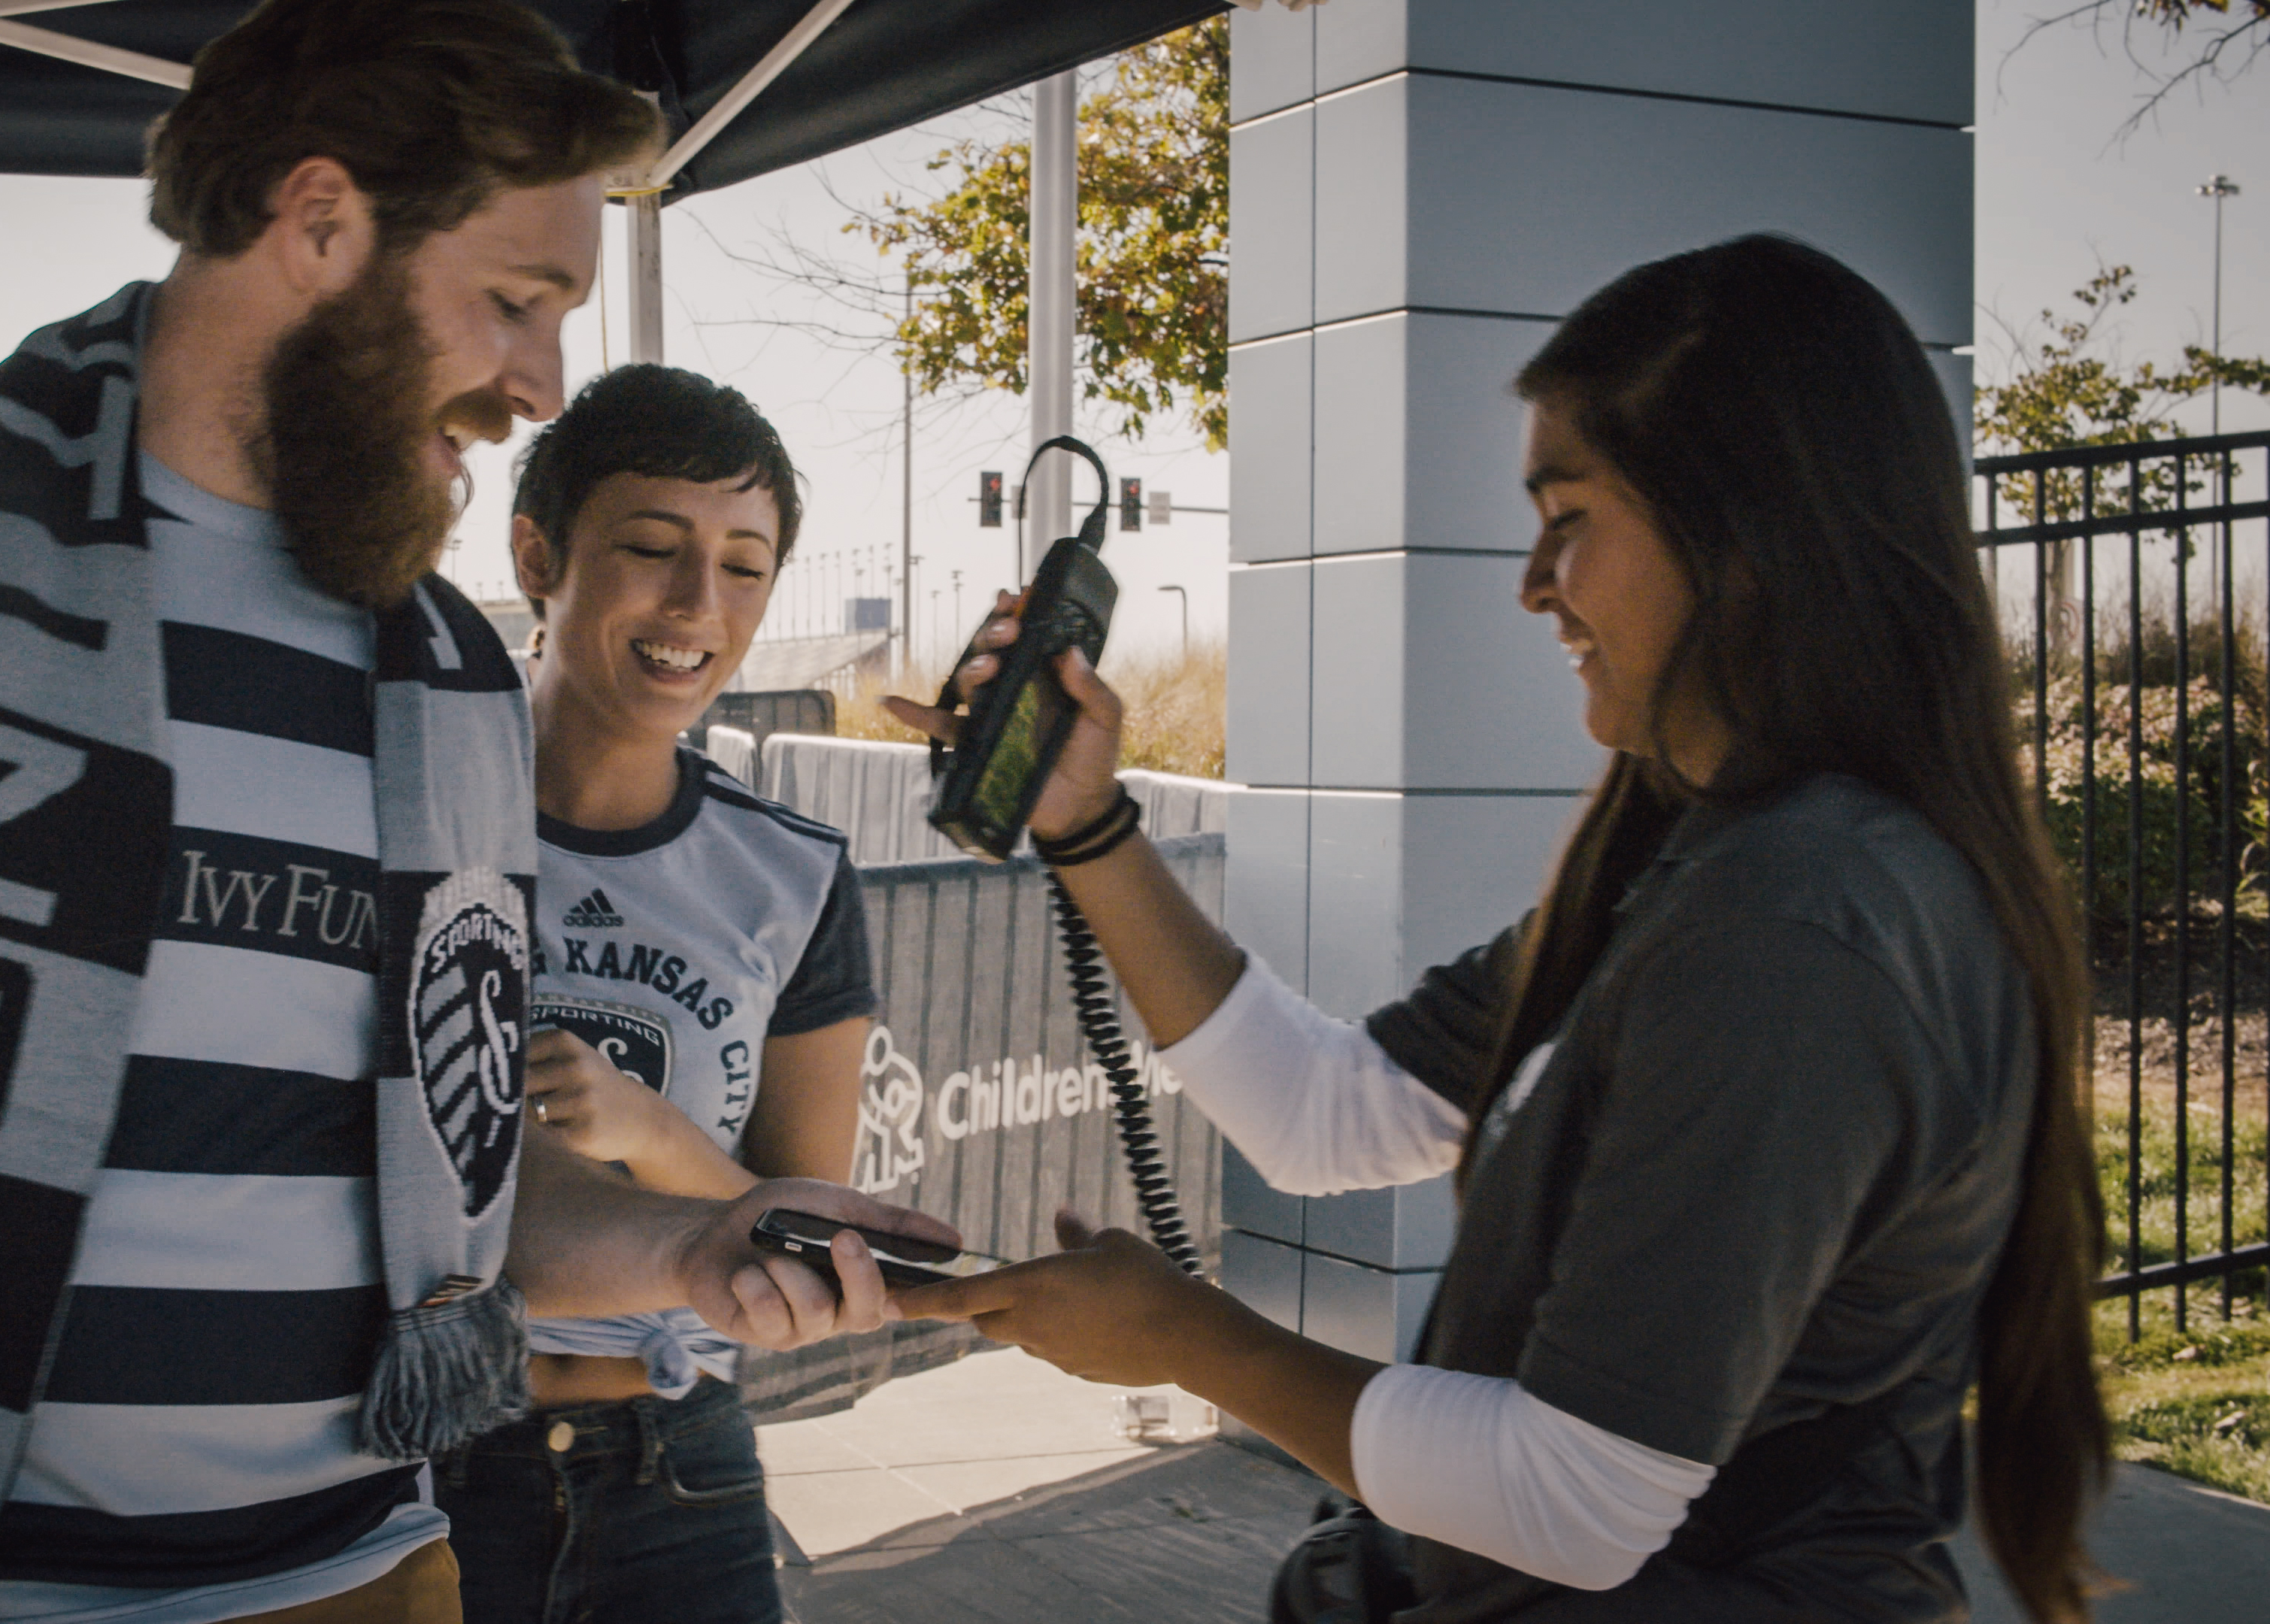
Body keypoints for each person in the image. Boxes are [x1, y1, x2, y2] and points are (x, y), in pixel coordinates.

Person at [0, 5, 948, 1622]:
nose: (546, 385)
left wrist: (689, 1256)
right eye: (515, 301)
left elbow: (457, 1172)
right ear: (319, 222)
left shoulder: (443, 674)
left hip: (365, 1583)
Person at [891, 235, 2109, 1622]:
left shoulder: (1796, 929)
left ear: (1748, 534)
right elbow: (1328, 1112)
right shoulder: (1709, 853)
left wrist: (1183, 1337)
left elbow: (1574, 1499)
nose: (1536, 583)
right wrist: (1084, 824)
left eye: (1571, 516)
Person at [436, 365, 875, 1624]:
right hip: (424, 1462)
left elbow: (796, 1227)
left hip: (680, 1475)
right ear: (538, 553)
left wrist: (651, 1131)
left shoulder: (792, 878)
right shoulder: (403, 812)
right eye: (650, 547)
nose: (699, 602)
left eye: (746, 563)